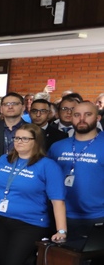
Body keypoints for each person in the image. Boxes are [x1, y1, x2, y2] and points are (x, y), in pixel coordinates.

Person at [0, 123, 67, 265]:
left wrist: (61, 230)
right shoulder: (4, 159)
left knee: (13, 264)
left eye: (25, 138)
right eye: (17, 138)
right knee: (6, 264)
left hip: (28, 223)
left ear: (36, 141)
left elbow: (58, 201)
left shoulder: (48, 166)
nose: (18, 142)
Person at [48, 100, 104, 239]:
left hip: (97, 216)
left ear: (98, 118)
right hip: (61, 216)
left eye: (88, 114)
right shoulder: (57, 146)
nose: (82, 119)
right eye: (77, 115)